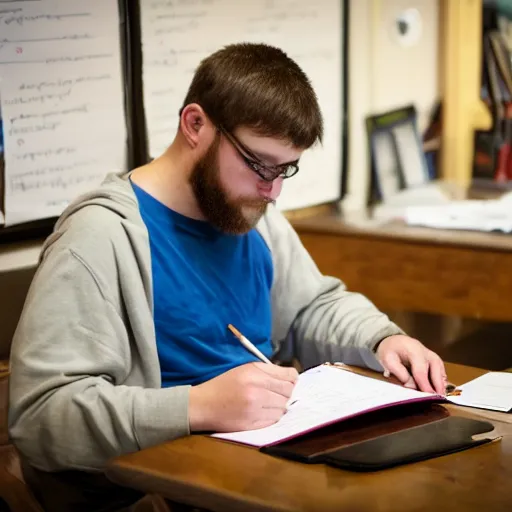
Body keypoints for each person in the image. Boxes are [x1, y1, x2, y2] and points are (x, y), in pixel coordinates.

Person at [8, 43, 447, 510]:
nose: (273, 192)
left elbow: (311, 307)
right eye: (259, 165)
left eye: (285, 170)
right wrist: (196, 407)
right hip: (165, 485)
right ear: (195, 124)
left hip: (265, 461)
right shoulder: (100, 238)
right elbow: (41, 418)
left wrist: (381, 339)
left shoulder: (250, 211)